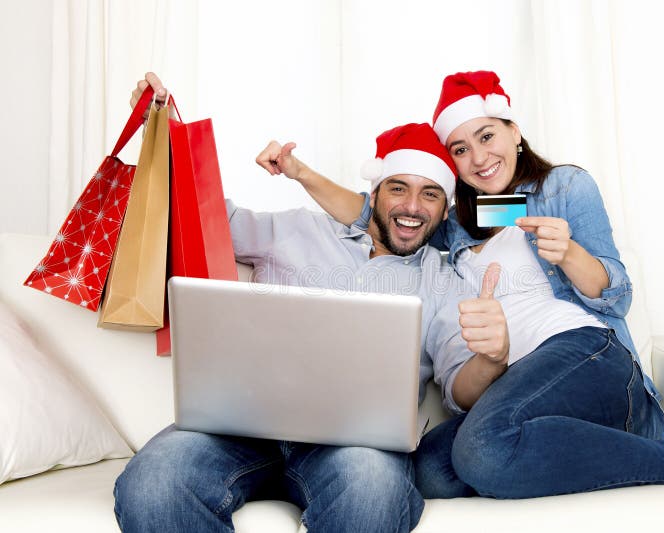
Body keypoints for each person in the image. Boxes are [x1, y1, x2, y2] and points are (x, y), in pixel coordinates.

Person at [290, 70, 664, 515]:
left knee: (480, 450)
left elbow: (617, 295)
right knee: (425, 472)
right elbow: (366, 211)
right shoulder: (463, 222)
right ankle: (583, 448)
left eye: (486, 136)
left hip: (587, 354)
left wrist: (568, 253)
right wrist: (301, 173)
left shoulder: (561, 188)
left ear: (514, 130)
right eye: (461, 149)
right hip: (520, 386)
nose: (479, 157)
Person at [114, 74, 477, 533]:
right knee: (155, 483)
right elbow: (194, 213)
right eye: (398, 188)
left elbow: (460, 386)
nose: (412, 205)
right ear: (374, 195)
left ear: (444, 212)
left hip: (355, 447)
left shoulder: (445, 282)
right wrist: (162, 136)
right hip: (238, 428)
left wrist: (493, 355)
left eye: (430, 194)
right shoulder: (296, 229)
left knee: (372, 492)